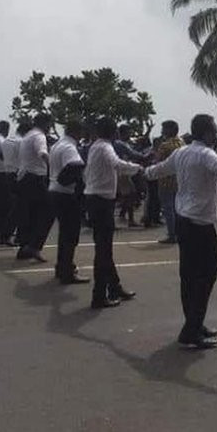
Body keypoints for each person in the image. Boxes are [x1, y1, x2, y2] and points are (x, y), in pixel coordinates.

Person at [146, 114, 217, 348]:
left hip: (184, 219)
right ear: (208, 133)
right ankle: (191, 328)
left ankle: (194, 323)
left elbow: (159, 170)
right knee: (207, 271)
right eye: (214, 129)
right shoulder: (205, 154)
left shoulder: (182, 152)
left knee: (188, 275)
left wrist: (144, 172)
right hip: (199, 222)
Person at [84, 117, 143, 309]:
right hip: (101, 201)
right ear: (113, 133)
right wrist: (138, 168)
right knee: (103, 251)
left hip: (96, 199)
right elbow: (117, 164)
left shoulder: (95, 146)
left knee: (104, 250)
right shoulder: (106, 147)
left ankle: (114, 286)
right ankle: (99, 296)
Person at [30, 120, 90, 283]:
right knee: (70, 235)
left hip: (54, 190)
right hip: (65, 193)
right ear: (77, 132)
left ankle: (62, 267)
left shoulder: (57, 145)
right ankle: (66, 271)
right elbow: (75, 164)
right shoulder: (70, 147)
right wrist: (76, 182)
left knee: (65, 233)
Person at [16, 115, 52, 261]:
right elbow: (42, 153)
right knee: (47, 213)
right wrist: (53, 166)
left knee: (29, 215)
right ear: (44, 124)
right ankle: (34, 246)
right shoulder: (39, 136)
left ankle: (25, 247)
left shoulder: (28, 136)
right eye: (49, 124)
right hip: (35, 178)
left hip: (24, 178)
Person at [155, 120, 184, 244]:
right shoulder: (182, 143)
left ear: (169, 130)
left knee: (168, 208)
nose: (162, 132)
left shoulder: (165, 146)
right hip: (179, 180)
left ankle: (172, 234)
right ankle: (179, 232)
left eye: (164, 129)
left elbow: (158, 162)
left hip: (166, 180)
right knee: (178, 208)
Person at [2, 121, 28, 245]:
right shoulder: (21, 141)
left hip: (7, 172)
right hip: (17, 174)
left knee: (13, 206)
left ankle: (8, 234)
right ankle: (9, 234)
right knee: (19, 207)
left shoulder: (7, 140)